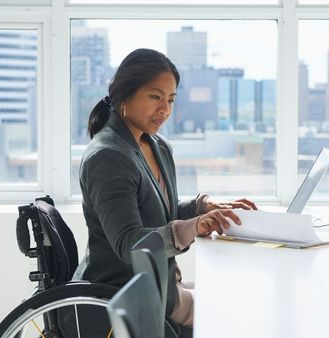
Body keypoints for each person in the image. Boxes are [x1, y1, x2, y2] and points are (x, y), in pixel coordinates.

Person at [74, 48, 257, 335]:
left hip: (164, 283)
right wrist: (192, 227)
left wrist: (203, 207)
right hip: (127, 291)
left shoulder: (157, 146)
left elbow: (160, 213)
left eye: (171, 99)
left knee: (241, 294)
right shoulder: (107, 156)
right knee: (237, 310)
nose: (165, 109)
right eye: (155, 96)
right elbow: (130, 243)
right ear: (125, 93)